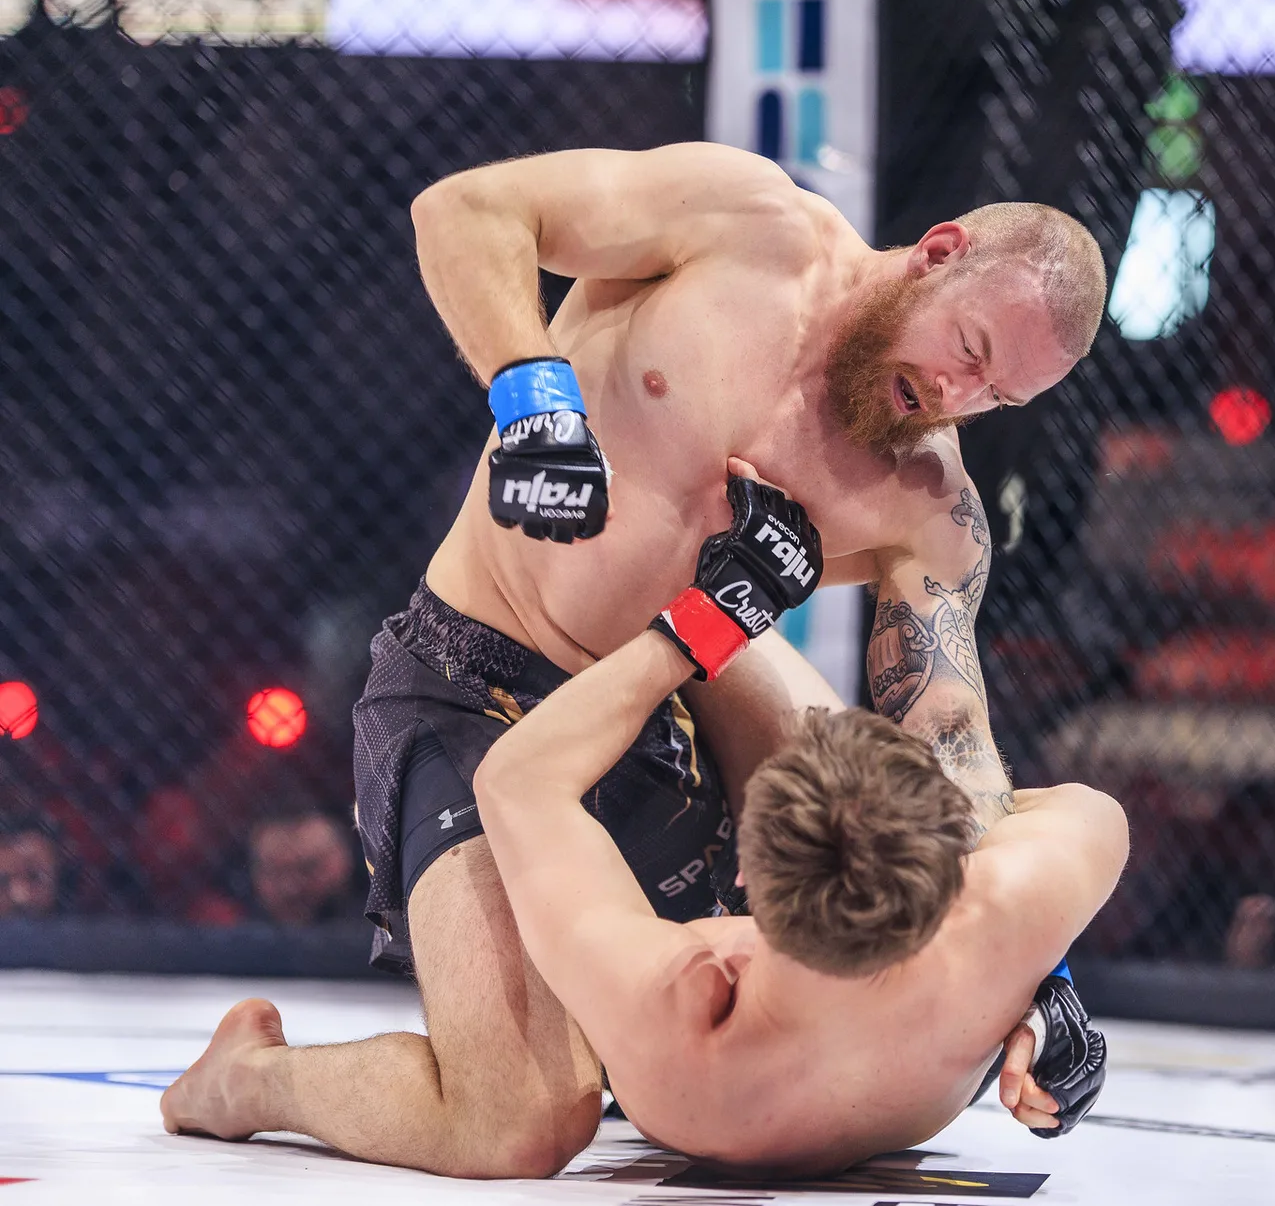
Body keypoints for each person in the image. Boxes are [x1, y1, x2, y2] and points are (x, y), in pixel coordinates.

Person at [173, 141, 1110, 1176]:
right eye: (970, 348)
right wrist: (534, 399)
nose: (954, 393)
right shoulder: (747, 225)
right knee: (519, 1125)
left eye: (996, 396)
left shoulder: (926, 499)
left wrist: (1037, 966)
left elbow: (946, 733)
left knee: (872, 846)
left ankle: (622, 1006)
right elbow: (467, 209)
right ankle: (250, 1080)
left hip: (676, 701)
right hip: (478, 684)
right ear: (938, 253)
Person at [163, 473, 1126, 1175]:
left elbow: (517, 780)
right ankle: (681, 570)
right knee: (837, 766)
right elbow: (1070, 815)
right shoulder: (1011, 913)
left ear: (743, 873)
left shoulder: (685, 1020)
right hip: (635, 642)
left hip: (468, 699)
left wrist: (706, 621)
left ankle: (250, 1081)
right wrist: (1047, 984)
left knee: (519, 1122)